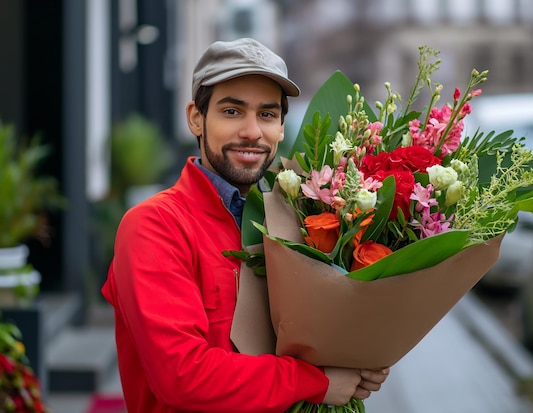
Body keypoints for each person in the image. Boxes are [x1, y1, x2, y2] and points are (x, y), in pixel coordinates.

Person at [101, 37, 389, 413]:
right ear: (196, 118)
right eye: (233, 112)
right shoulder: (155, 226)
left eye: (267, 114)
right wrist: (315, 381)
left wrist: (356, 361)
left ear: (282, 128)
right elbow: (183, 377)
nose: (253, 132)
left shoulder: (300, 217)